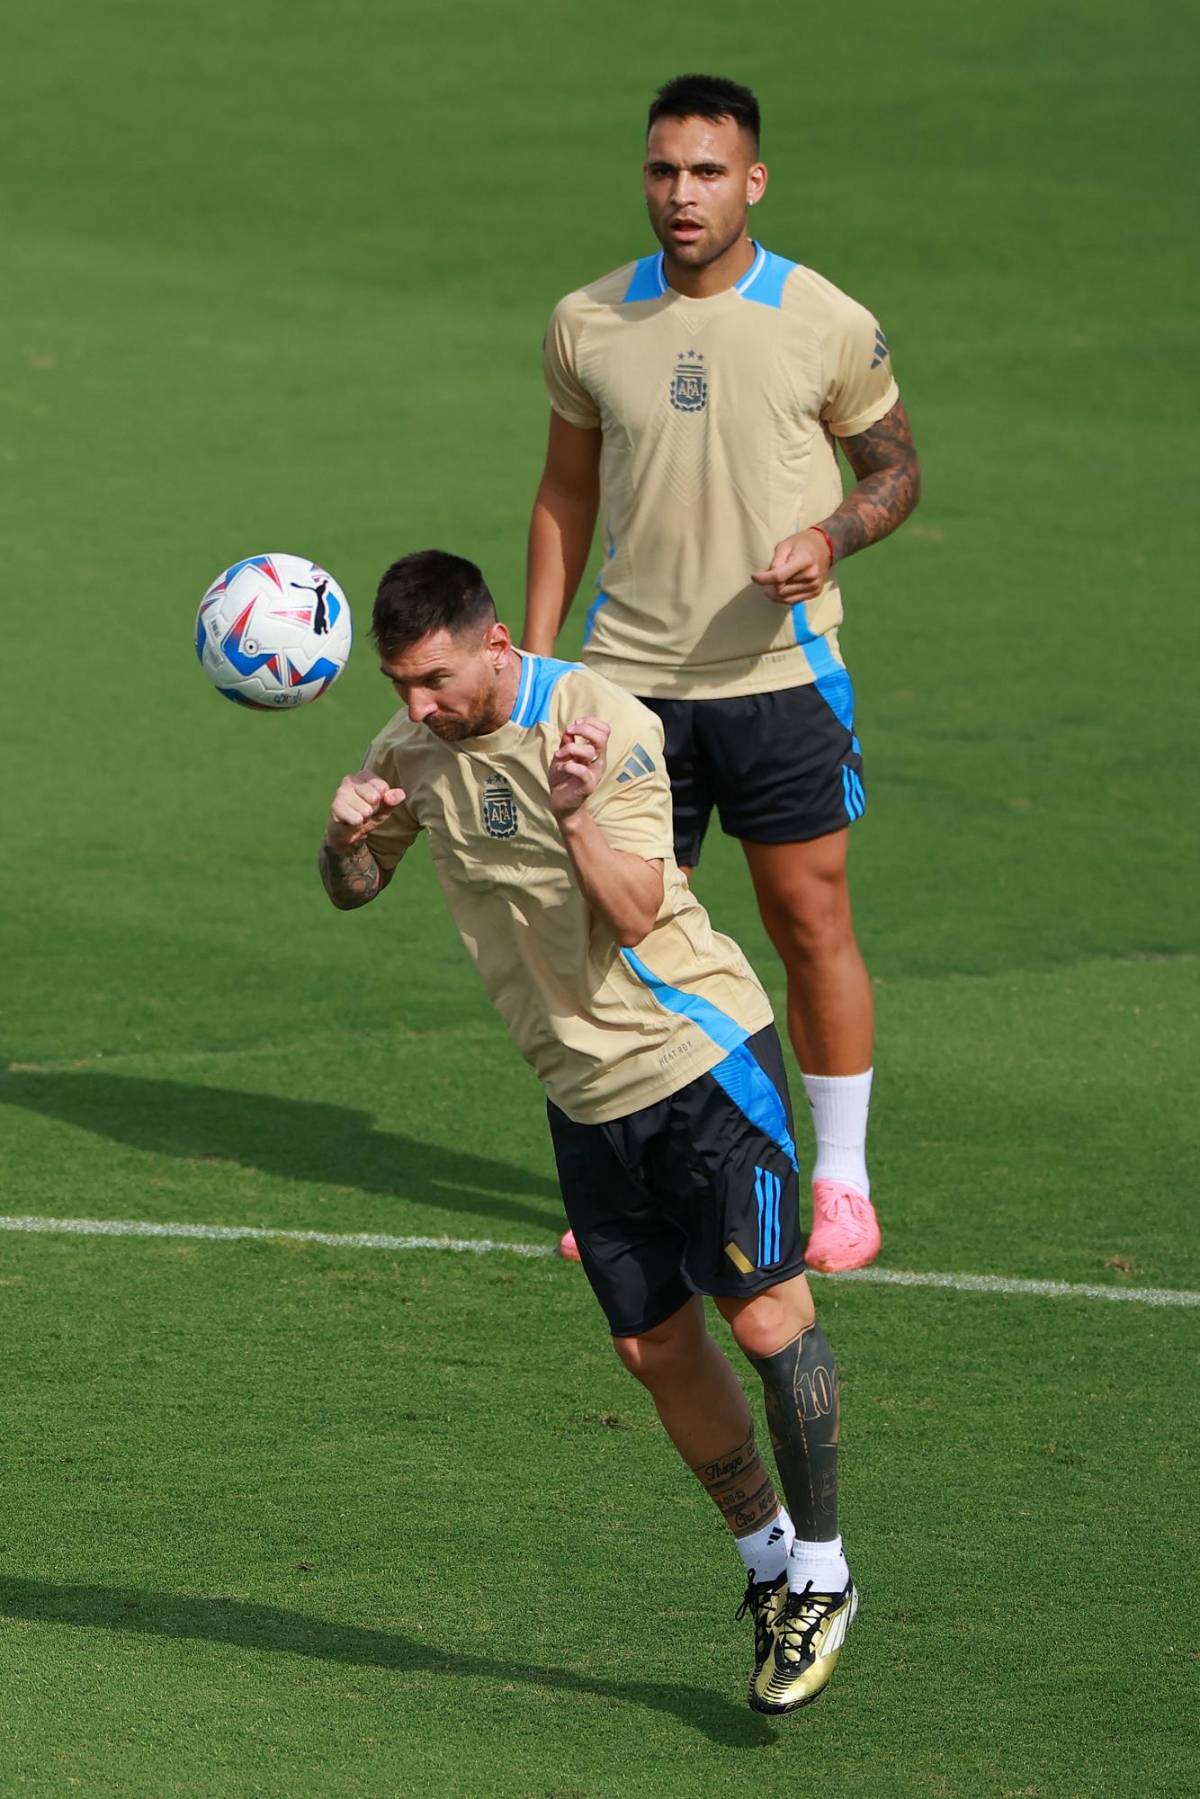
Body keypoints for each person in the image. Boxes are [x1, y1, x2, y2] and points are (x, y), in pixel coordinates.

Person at [319, 548, 858, 1714]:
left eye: (437, 678)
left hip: (701, 1061)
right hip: (581, 1093)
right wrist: (345, 837)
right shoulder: (410, 752)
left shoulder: (598, 723)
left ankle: (823, 1567)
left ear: (497, 642)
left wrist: (569, 817)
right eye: (402, 682)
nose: (418, 704)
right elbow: (356, 891)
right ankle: (765, 1560)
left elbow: (635, 908)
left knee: (763, 1310)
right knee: (652, 1348)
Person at [523, 74, 921, 1274]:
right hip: (630, 684)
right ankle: (637, 1185)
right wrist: (544, 669)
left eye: (706, 172)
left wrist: (831, 536)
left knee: (808, 921)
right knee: (626, 939)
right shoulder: (588, 321)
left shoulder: (825, 319)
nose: (681, 194)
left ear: (752, 181)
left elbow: (895, 471)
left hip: (781, 675)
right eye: (662, 170)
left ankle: (840, 1183)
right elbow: (565, 493)